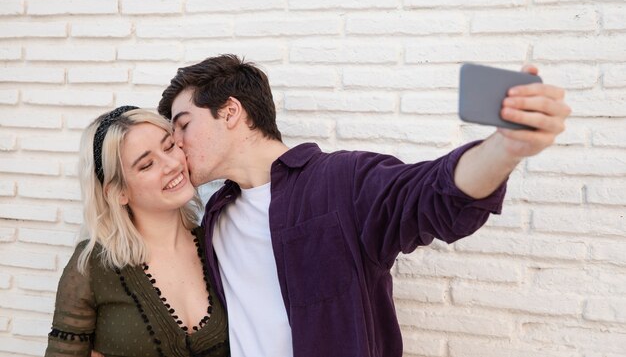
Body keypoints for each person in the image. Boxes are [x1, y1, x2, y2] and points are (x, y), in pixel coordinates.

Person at [157, 55, 571, 357]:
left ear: (230, 112)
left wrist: (505, 148)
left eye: (183, 125)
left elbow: (433, 195)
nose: (176, 142)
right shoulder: (214, 215)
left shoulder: (341, 181)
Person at [45, 107, 229, 357]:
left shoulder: (218, 243)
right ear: (118, 192)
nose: (172, 164)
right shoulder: (91, 267)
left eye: (169, 146)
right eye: (146, 165)